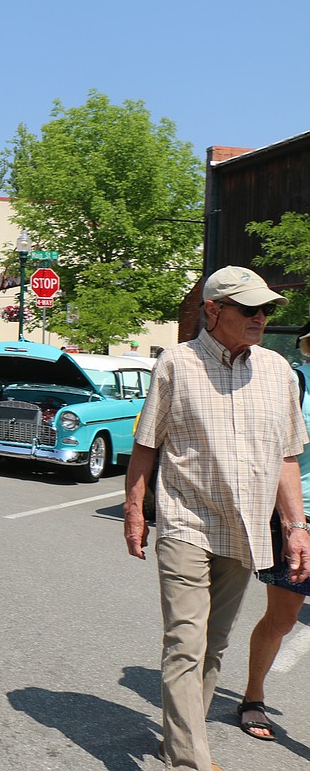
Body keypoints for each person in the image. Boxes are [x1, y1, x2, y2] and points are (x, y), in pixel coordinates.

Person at [124, 266, 310, 769]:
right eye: (249, 309)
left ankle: (178, 738)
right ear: (213, 310)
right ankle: (190, 761)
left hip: (246, 528)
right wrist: (134, 510)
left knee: (213, 645)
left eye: (266, 309)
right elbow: (146, 445)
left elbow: (287, 458)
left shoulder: (277, 371)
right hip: (186, 523)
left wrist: (296, 528)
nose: (261, 318)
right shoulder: (176, 365)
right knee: (185, 641)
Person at [237, 318, 310, 741]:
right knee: (282, 620)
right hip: (301, 520)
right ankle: (253, 695)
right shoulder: (295, 384)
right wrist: (291, 523)